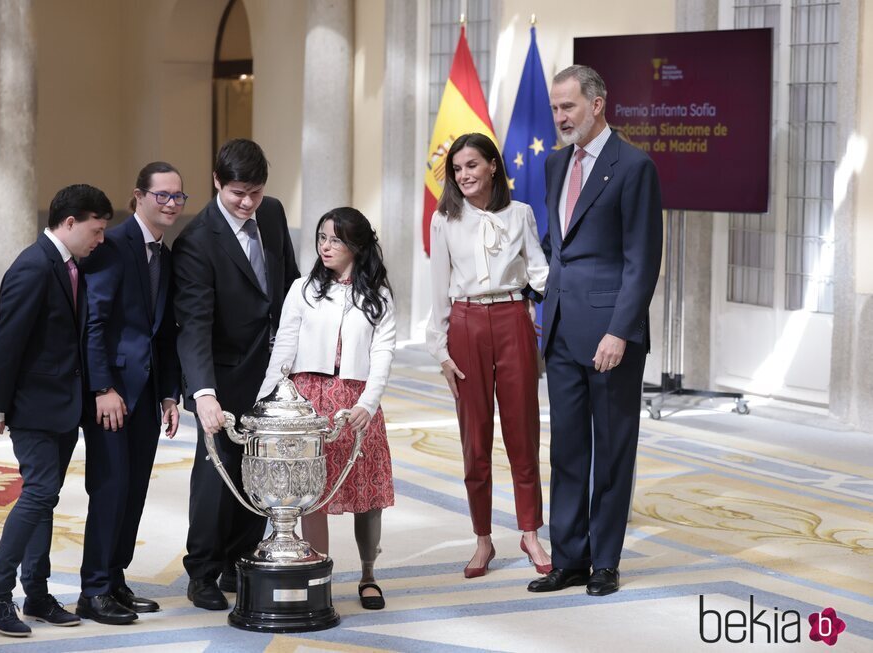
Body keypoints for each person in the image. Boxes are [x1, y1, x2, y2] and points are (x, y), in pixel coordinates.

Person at [528, 65, 662, 597]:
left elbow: (642, 260)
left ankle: (605, 561)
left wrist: (620, 331)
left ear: (598, 103)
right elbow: (556, 245)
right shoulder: (554, 164)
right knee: (566, 450)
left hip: (610, 336)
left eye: (569, 107)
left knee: (611, 450)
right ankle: (569, 559)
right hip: (559, 329)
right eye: (556, 108)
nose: (560, 117)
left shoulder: (634, 167)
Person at [0, 184, 112, 637]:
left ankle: (36, 593)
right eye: (95, 229)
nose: (100, 239)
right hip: (33, 407)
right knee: (38, 493)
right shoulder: (33, 267)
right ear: (70, 223)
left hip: (61, 406)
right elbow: (7, 340)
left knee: (46, 498)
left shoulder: (68, 265)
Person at [172, 138, 300, 610]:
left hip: (274, 373)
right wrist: (203, 393)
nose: (247, 203)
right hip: (224, 378)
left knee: (262, 471)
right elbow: (195, 326)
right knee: (217, 474)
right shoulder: (197, 242)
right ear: (216, 183)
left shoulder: (273, 213)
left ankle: (239, 561)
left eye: (255, 192)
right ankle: (202, 572)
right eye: (237, 193)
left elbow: (289, 286)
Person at [425, 132, 551, 579]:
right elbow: (438, 289)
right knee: (474, 441)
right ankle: (482, 540)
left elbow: (539, 270)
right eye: (457, 169)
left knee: (524, 433)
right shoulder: (444, 219)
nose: (464, 175)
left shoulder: (521, 214)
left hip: (514, 319)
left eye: (472, 165)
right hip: (466, 324)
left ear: (492, 166)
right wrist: (440, 350)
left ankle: (531, 532)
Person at [257, 207, 396, 610]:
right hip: (308, 401)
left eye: (335, 239)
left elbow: (383, 352)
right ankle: (318, 573)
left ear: (356, 245)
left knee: (365, 491)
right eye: (321, 237)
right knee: (310, 490)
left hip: (356, 403)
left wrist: (369, 403)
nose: (326, 246)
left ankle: (369, 573)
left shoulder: (378, 294)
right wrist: (265, 404)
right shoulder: (302, 288)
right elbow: (284, 348)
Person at [76, 162, 183, 624]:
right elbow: (94, 323)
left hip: (147, 391)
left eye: (178, 196)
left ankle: (115, 579)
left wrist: (170, 394)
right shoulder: (111, 245)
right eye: (162, 195)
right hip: (112, 393)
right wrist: (102, 387)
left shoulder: (166, 252)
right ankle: (93, 589)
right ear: (137, 196)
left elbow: (163, 332)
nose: (171, 204)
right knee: (110, 486)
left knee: (135, 487)